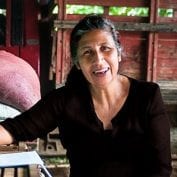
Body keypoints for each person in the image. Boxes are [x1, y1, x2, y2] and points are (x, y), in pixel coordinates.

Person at [0, 14, 172, 177]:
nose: (98, 60)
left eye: (105, 48)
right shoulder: (65, 100)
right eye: (87, 52)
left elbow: (161, 169)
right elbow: (16, 129)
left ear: (118, 53)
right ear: (78, 63)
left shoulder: (147, 96)